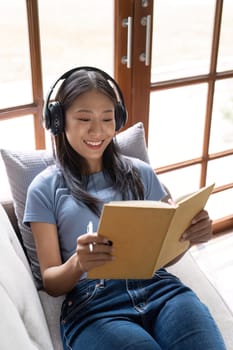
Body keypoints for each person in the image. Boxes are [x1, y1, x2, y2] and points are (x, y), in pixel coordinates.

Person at [23, 66, 226, 350]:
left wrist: (188, 237)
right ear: (58, 121)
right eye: (83, 118)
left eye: (107, 118)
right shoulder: (44, 189)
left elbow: (161, 257)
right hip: (94, 306)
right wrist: (78, 262)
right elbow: (52, 282)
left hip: (161, 290)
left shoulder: (141, 173)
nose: (98, 130)